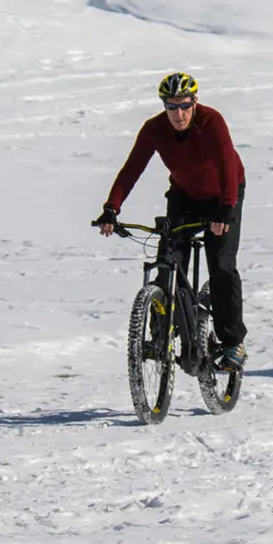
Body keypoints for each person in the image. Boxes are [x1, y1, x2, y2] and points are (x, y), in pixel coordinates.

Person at [96, 72, 247, 368]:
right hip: (184, 197)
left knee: (221, 265)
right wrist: (112, 207)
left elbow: (227, 164)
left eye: (185, 106)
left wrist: (226, 207)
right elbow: (132, 168)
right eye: (171, 107)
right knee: (168, 262)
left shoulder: (211, 121)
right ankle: (159, 336)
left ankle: (232, 344)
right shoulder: (154, 129)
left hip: (223, 195)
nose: (179, 114)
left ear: (195, 102)